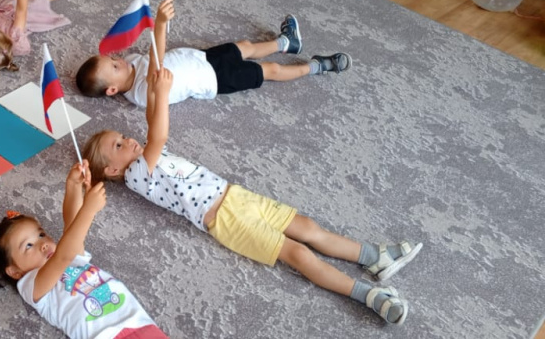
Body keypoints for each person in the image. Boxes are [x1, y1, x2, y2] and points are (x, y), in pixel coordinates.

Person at [80, 62, 422, 325]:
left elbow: (153, 114)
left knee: (307, 226)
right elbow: (159, 134)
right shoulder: (137, 176)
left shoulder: (144, 157)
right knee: (298, 254)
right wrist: (162, 93)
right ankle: (368, 296)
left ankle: (373, 256)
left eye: (122, 136)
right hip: (226, 220)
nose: (128, 140)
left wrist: (158, 79)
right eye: (119, 146)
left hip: (238, 196)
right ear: (113, 171)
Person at [0, 161, 167, 339]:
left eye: (41, 234)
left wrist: (73, 186)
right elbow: (62, 257)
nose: (42, 244)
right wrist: (89, 210)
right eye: (28, 246)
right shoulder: (31, 285)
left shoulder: (70, 258)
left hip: (140, 323)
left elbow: (71, 228)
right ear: (15, 271)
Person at [75, 0, 352, 107]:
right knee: (270, 70)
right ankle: (317, 66)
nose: (118, 60)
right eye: (113, 66)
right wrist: (159, 25)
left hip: (202, 58)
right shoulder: (140, 94)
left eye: (112, 58)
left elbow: (147, 57)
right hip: (215, 80)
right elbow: (157, 60)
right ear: (112, 90)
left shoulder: (131, 63)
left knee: (246, 46)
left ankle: (285, 43)